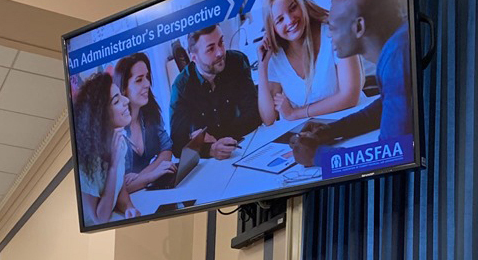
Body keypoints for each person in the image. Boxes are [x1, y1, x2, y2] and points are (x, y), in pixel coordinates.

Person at [290, 0, 412, 166]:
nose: (328, 35)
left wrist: (317, 157)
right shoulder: (399, 44)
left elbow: (392, 157)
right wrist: (332, 130)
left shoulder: (397, 59)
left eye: (332, 28)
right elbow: (385, 105)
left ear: (359, 27)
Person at [257, 0, 363, 125]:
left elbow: (350, 97)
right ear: (272, 28)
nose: (290, 20)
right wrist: (262, 65)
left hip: (352, 123)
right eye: (280, 20)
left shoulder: (334, 31)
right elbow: (268, 118)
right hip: (311, 135)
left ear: (302, 4)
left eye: (292, 8)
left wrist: (295, 113)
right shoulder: (276, 56)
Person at [170, 25, 261, 160]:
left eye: (221, 42)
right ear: (194, 58)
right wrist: (210, 149)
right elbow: (177, 145)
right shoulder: (182, 86)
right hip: (211, 161)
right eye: (210, 49)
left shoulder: (237, 61)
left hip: (247, 144)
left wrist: (211, 139)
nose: (220, 52)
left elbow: (254, 114)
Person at [73, 72, 140, 225]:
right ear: (102, 115)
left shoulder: (118, 141)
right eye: (116, 101)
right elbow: (99, 218)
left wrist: (129, 207)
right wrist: (113, 166)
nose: (126, 100)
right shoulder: (87, 161)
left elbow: (120, 188)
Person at [113, 53, 177, 192]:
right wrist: (151, 175)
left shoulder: (150, 113)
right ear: (123, 88)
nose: (147, 84)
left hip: (147, 193)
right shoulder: (114, 130)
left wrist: (140, 177)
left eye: (147, 77)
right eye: (139, 80)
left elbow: (167, 149)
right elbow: (118, 188)